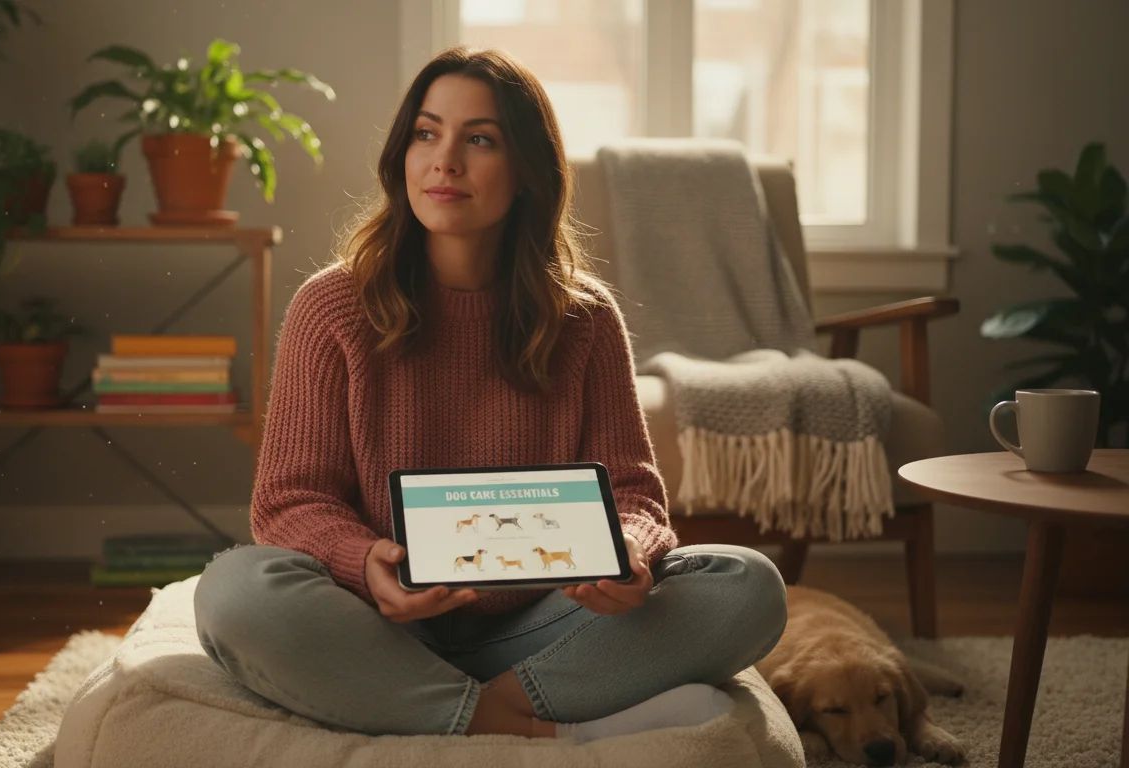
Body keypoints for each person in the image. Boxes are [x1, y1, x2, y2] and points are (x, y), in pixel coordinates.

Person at [194, 46, 787, 741]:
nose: (444, 160)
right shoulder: (330, 307)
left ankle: (447, 708)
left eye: (479, 139)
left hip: (545, 625)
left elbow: (633, 493)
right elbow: (291, 502)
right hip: (375, 627)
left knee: (746, 585)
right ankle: (519, 719)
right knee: (235, 592)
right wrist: (363, 561)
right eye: (426, 132)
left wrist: (628, 552)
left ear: (528, 173)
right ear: (401, 156)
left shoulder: (586, 321)